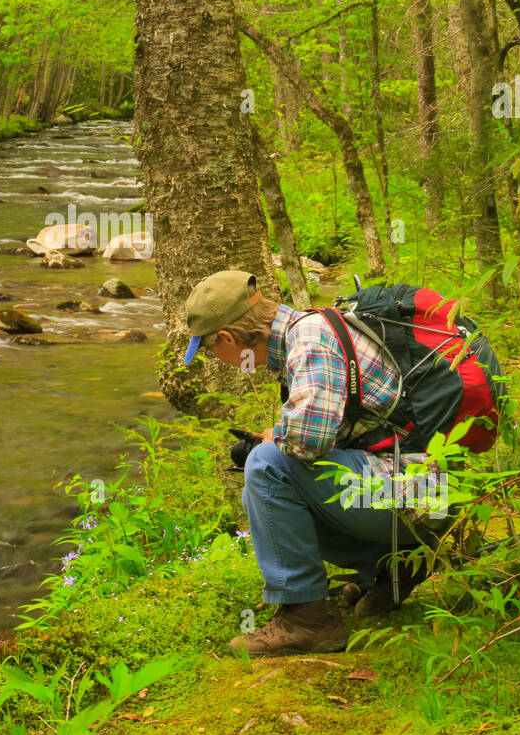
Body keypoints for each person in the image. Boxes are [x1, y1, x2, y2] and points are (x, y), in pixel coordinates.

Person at [183, 268, 438, 657]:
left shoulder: (310, 340)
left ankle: (306, 621)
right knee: (277, 464)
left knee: (267, 466)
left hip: (426, 494)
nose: (216, 359)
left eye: (209, 350)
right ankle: (390, 569)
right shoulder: (311, 330)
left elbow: (307, 441)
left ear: (227, 338)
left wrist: (268, 441)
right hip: (428, 487)